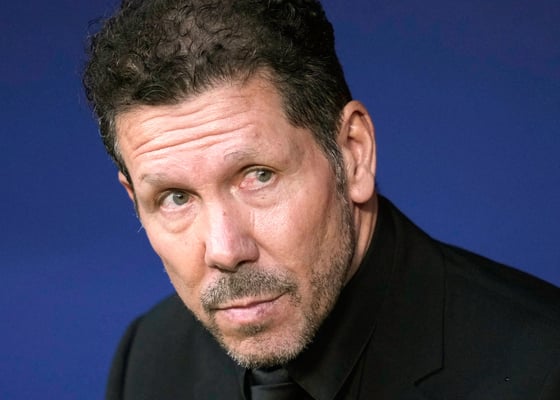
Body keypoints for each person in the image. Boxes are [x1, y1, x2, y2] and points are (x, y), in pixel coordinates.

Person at [83, 0, 560, 398]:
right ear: (133, 198)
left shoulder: (543, 369)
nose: (225, 250)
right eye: (175, 198)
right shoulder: (147, 358)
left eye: (259, 176)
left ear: (353, 153)